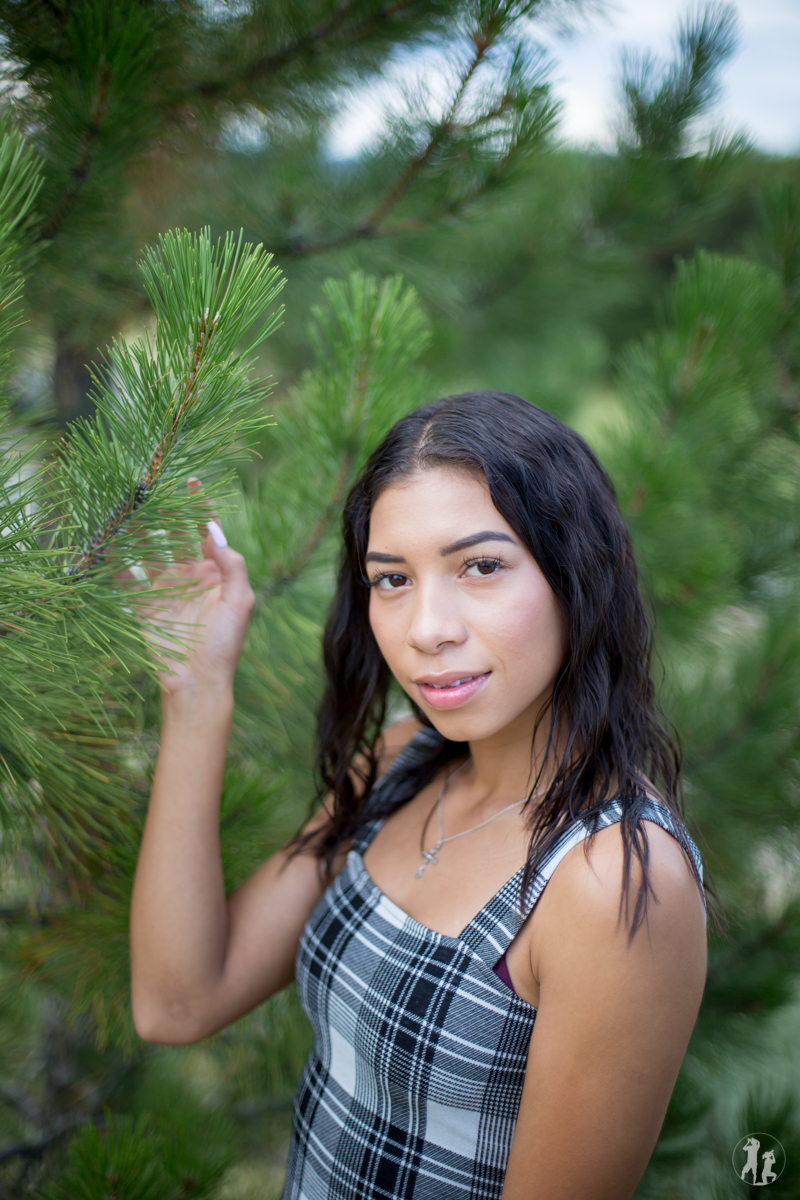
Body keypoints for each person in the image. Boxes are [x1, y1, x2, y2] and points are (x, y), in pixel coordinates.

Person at [129, 391, 712, 1200]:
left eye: (481, 566)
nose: (426, 627)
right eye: (392, 579)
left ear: (579, 572)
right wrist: (194, 689)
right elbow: (177, 1002)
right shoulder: (401, 764)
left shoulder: (608, 880)